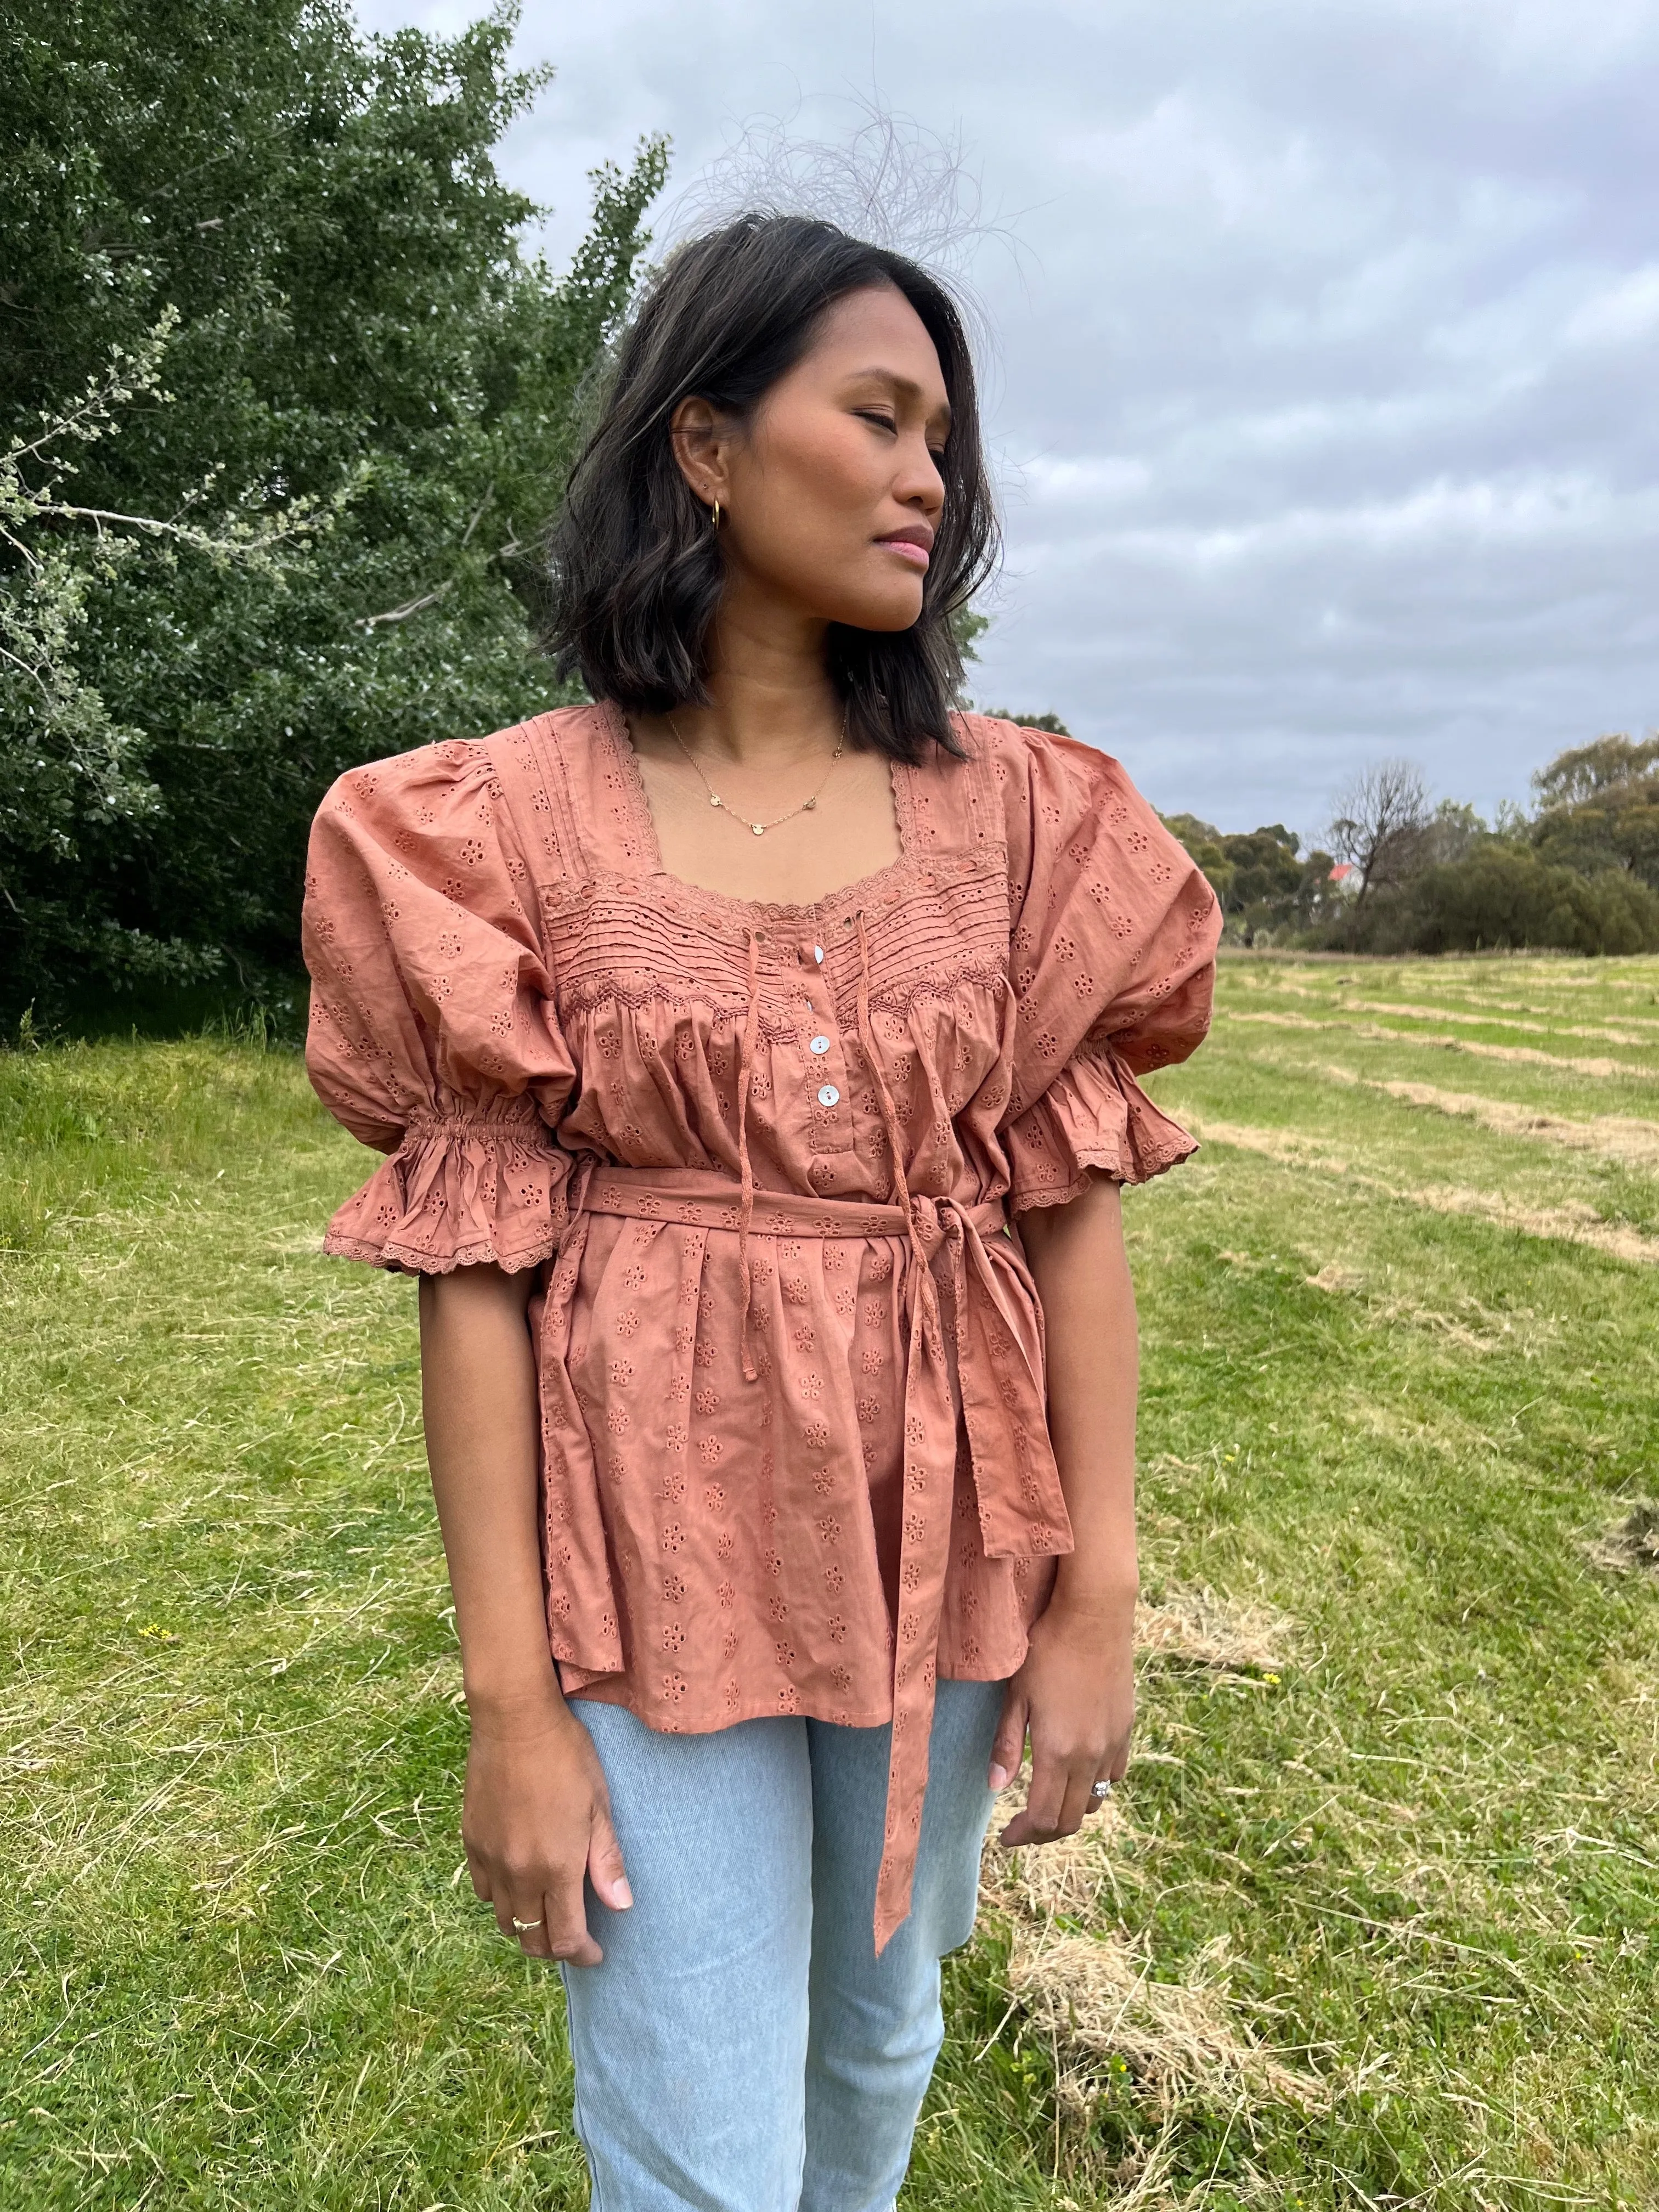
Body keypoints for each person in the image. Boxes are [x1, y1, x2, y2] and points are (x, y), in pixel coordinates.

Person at [301, 211, 1221, 2212]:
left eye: (945, 444)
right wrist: (508, 1706)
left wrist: (1100, 1597)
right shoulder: (496, 829)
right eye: (878, 419)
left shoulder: (1035, 823)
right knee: (692, 2131)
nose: (929, 481)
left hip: (947, 1541)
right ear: (705, 446)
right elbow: (476, 1271)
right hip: (646, 1557)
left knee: (882, 2041)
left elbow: (1068, 1221)